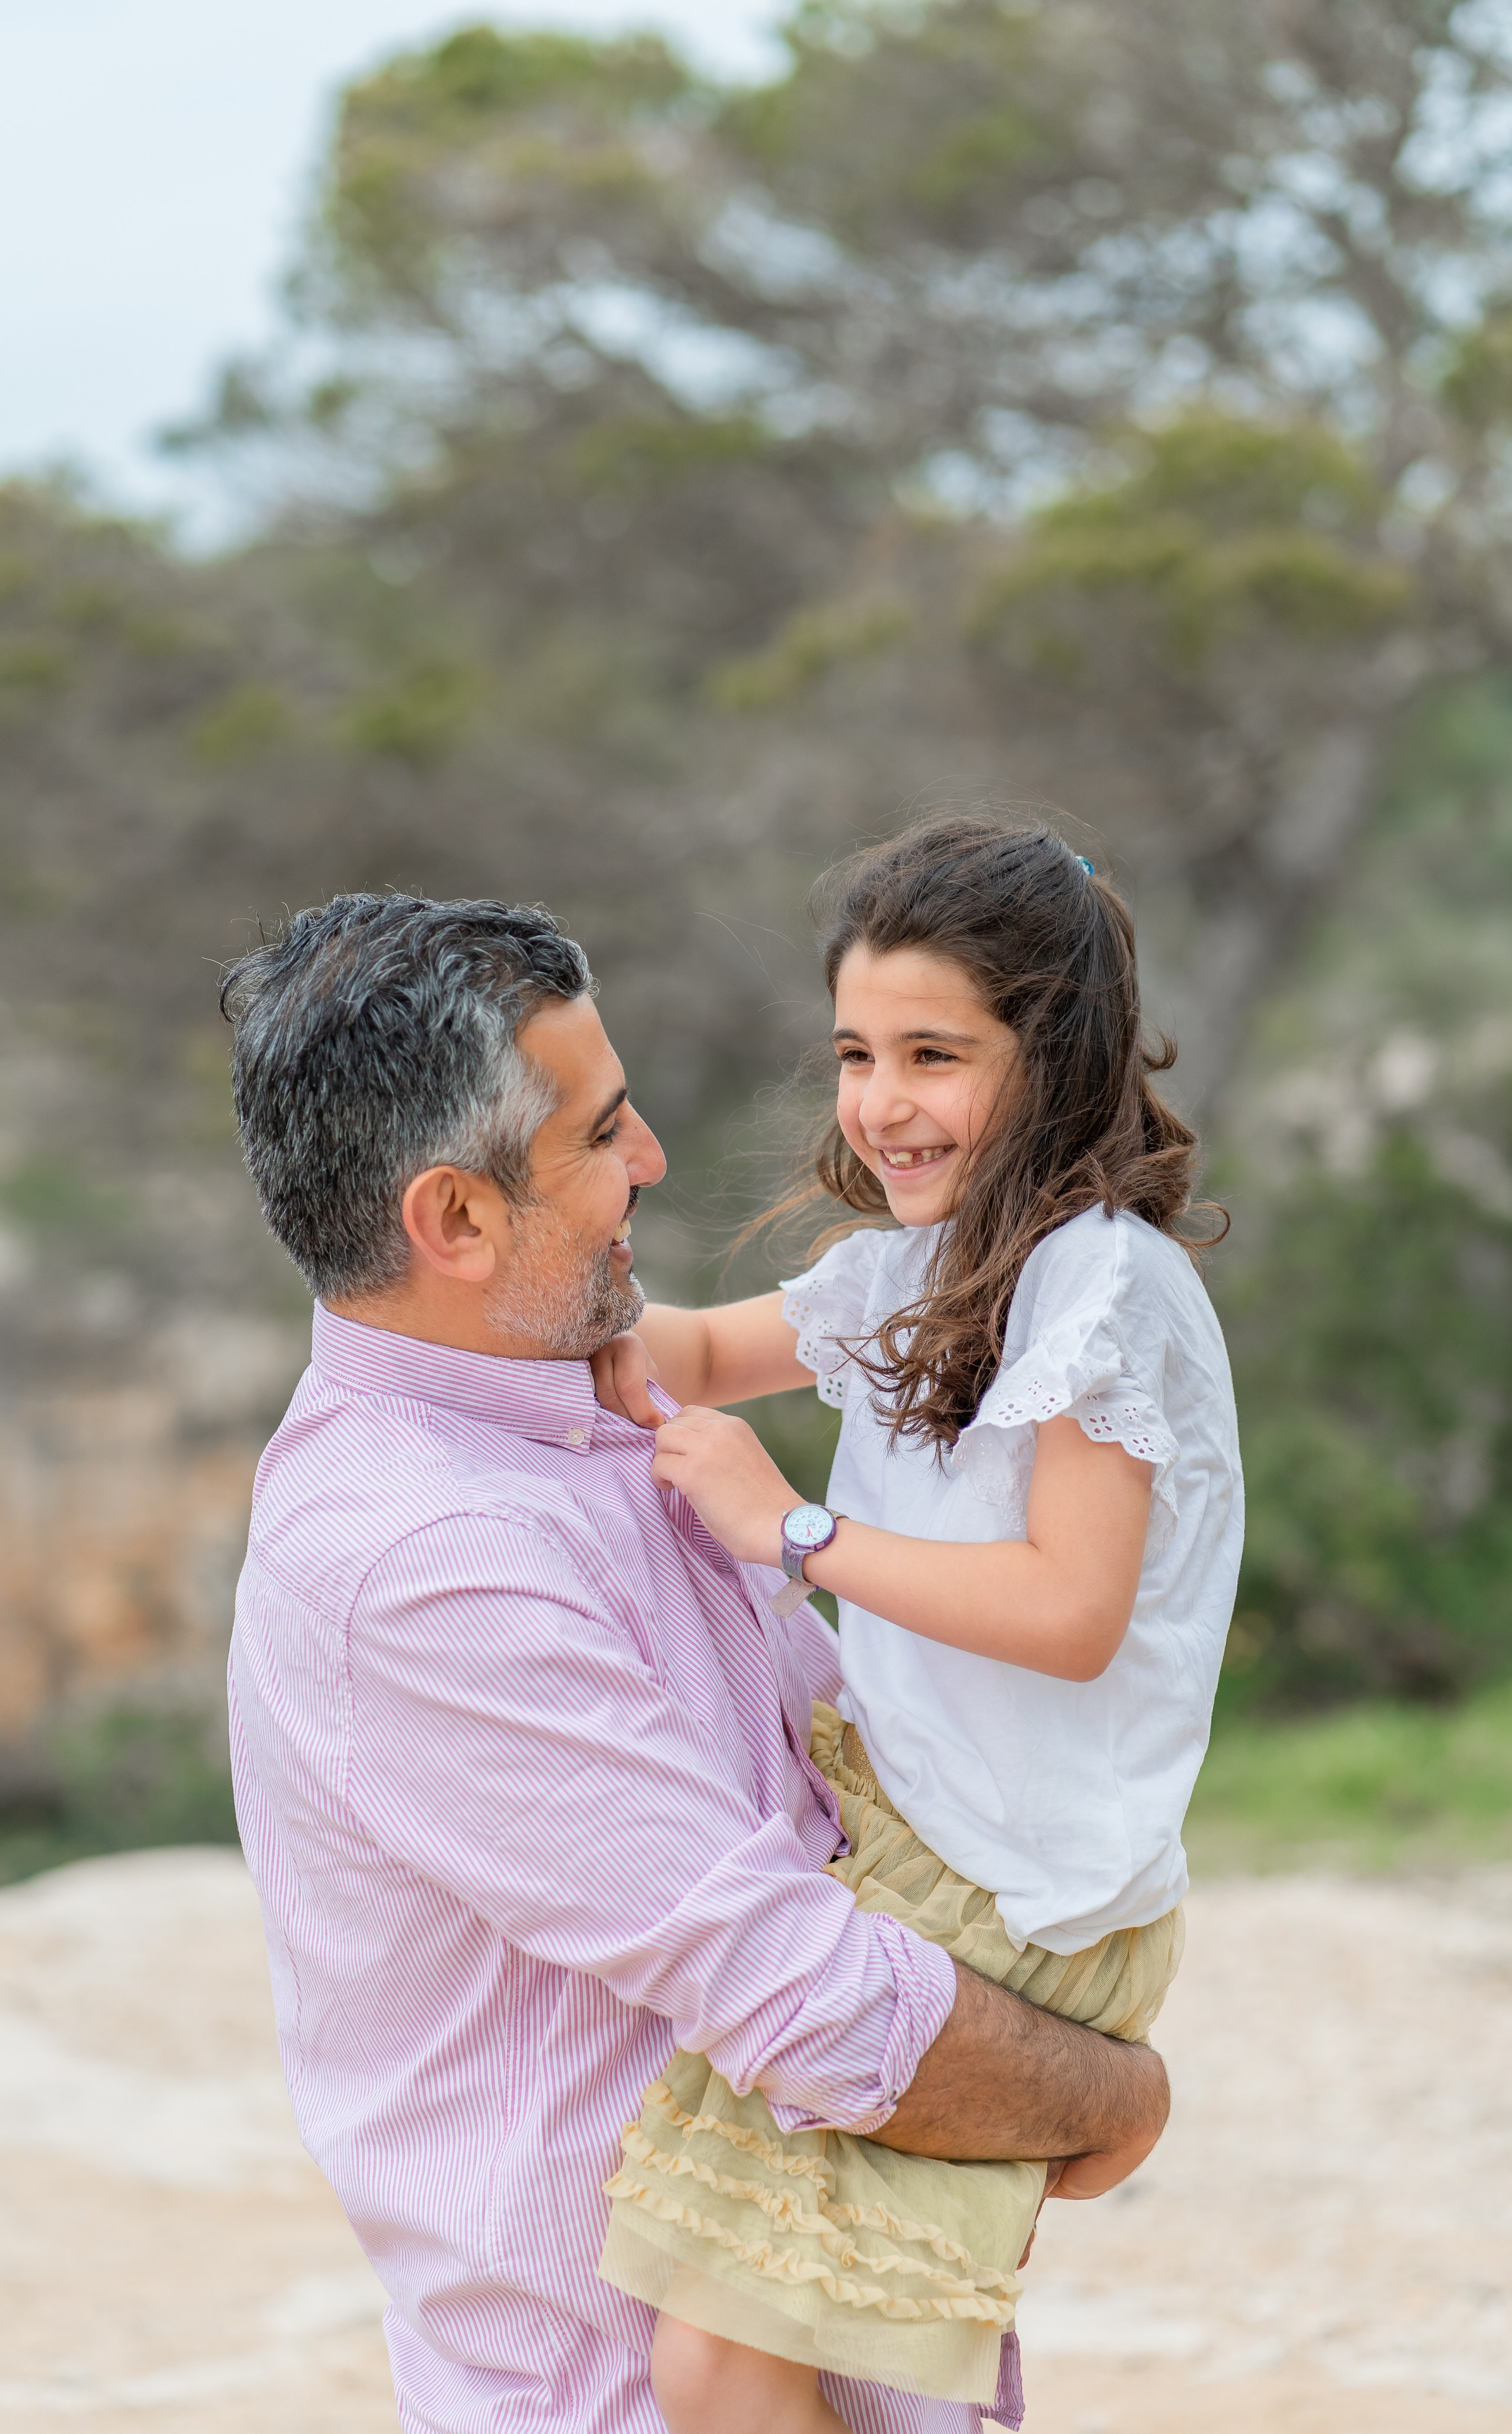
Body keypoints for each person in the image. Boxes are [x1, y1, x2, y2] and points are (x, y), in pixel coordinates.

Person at [221, 889, 1169, 2434]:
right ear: (454, 1221)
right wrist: (1112, 2095)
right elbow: (797, 1994)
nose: (651, 1157)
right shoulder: (419, 1565)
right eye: (600, 1136)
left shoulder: (577, 1400)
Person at [591, 816, 1244, 2431]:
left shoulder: (1102, 1284)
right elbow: (677, 1347)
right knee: (729, 2358)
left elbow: (1069, 1611)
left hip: (1016, 1896)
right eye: (854, 1052)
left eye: (934, 1054)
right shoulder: (918, 1269)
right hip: (920, 1862)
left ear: (1055, 1055)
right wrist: (492, 1260)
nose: (881, 1102)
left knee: (724, 2362)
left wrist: (792, 1529)